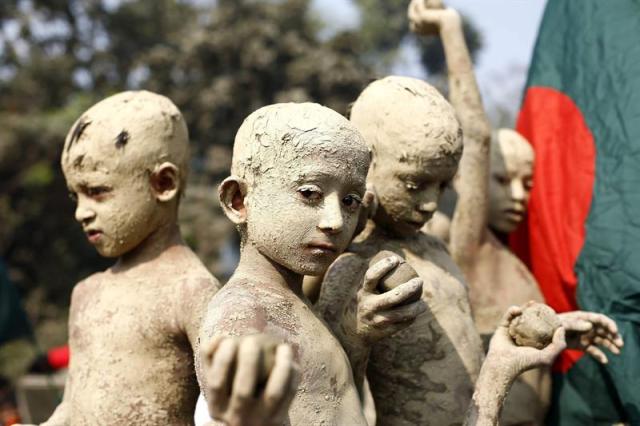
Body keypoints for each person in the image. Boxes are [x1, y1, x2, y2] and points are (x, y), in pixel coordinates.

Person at [32, 91, 294, 425]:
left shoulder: (190, 291)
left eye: (97, 191)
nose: (82, 212)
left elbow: (234, 407)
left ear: (163, 183)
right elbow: (72, 405)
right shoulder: (85, 292)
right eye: (76, 195)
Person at [198, 102, 426, 425]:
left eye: (350, 202)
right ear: (239, 200)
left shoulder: (290, 302)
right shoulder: (244, 318)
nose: (335, 221)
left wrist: (356, 336)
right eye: (310, 194)